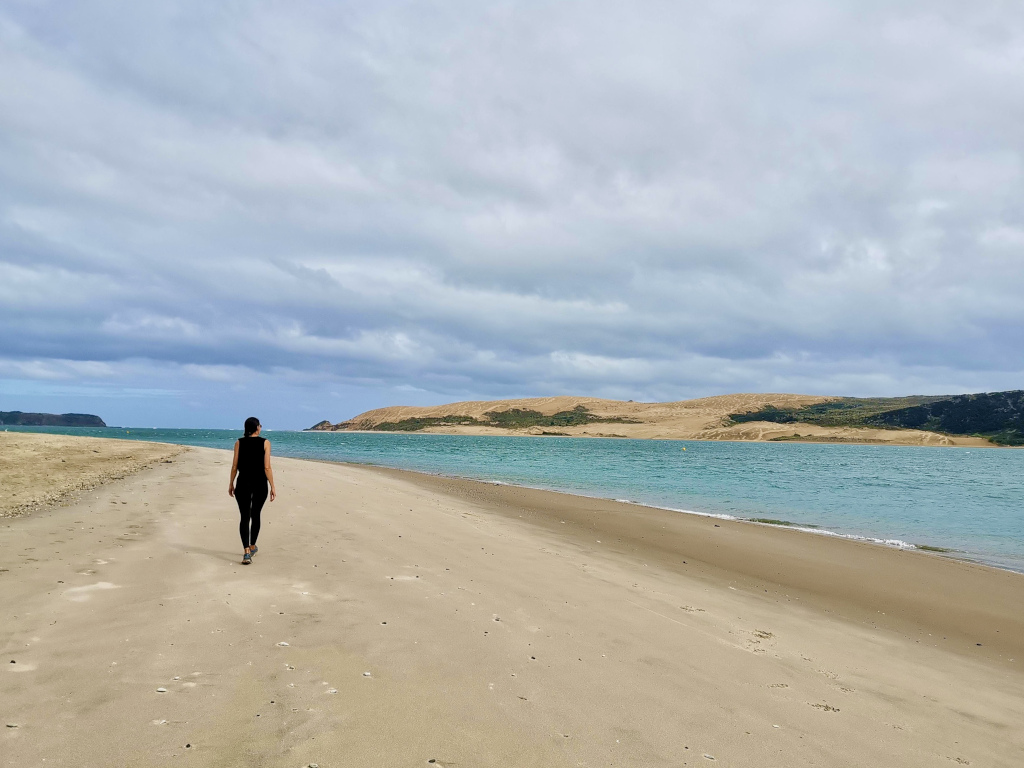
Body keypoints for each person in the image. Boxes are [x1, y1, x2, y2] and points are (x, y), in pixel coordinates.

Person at [228, 417, 277, 564]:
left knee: (244, 516)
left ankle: (246, 552)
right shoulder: (265, 443)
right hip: (260, 484)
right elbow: (267, 467)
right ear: (257, 427)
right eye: (260, 425)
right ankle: (253, 545)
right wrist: (273, 486)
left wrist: (231, 483)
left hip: (242, 483)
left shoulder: (239, 443)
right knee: (255, 515)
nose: (261, 427)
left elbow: (234, 466)